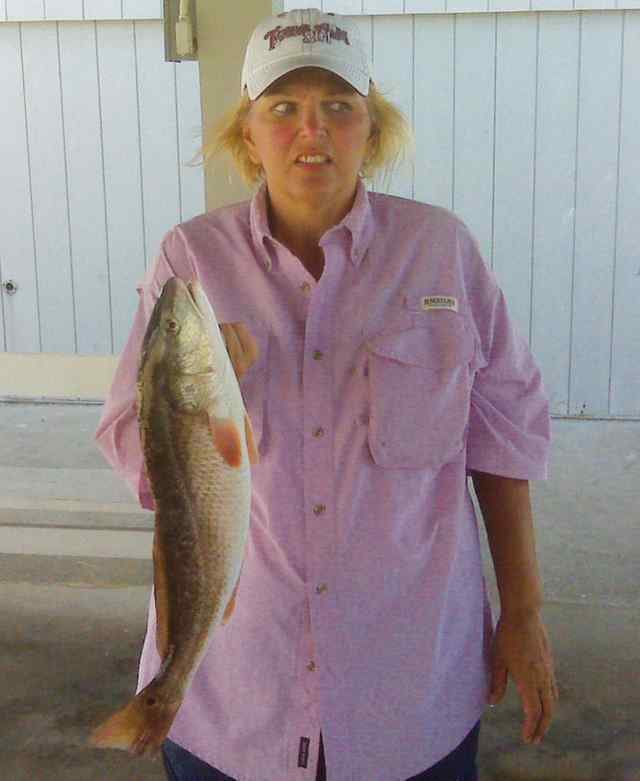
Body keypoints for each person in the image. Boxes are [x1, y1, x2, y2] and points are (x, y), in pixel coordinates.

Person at [94, 7, 559, 780]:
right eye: (283, 109)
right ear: (248, 133)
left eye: (338, 107)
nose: (312, 130)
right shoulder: (191, 258)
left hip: (409, 697)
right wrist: (200, 405)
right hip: (234, 695)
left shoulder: (440, 251)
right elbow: (130, 446)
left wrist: (526, 610)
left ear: (370, 129)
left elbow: (502, 437)